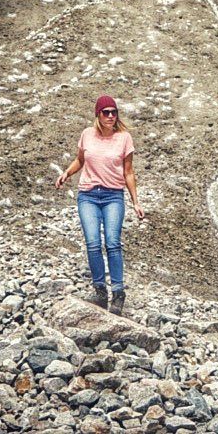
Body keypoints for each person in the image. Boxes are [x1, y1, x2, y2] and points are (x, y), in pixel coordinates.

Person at [54, 94, 144, 313]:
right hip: (88, 195)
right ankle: (100, 291)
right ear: (98, 114)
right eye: (106, 112)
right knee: (93, 242)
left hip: (113, 195)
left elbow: (129, 172)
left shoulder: (124, 138)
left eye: (114, 112)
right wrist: (67, 173)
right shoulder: (87, 135)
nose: (111, 116)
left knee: (113, 242)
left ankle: (119, 292)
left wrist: (136, 201)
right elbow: (81, 160)